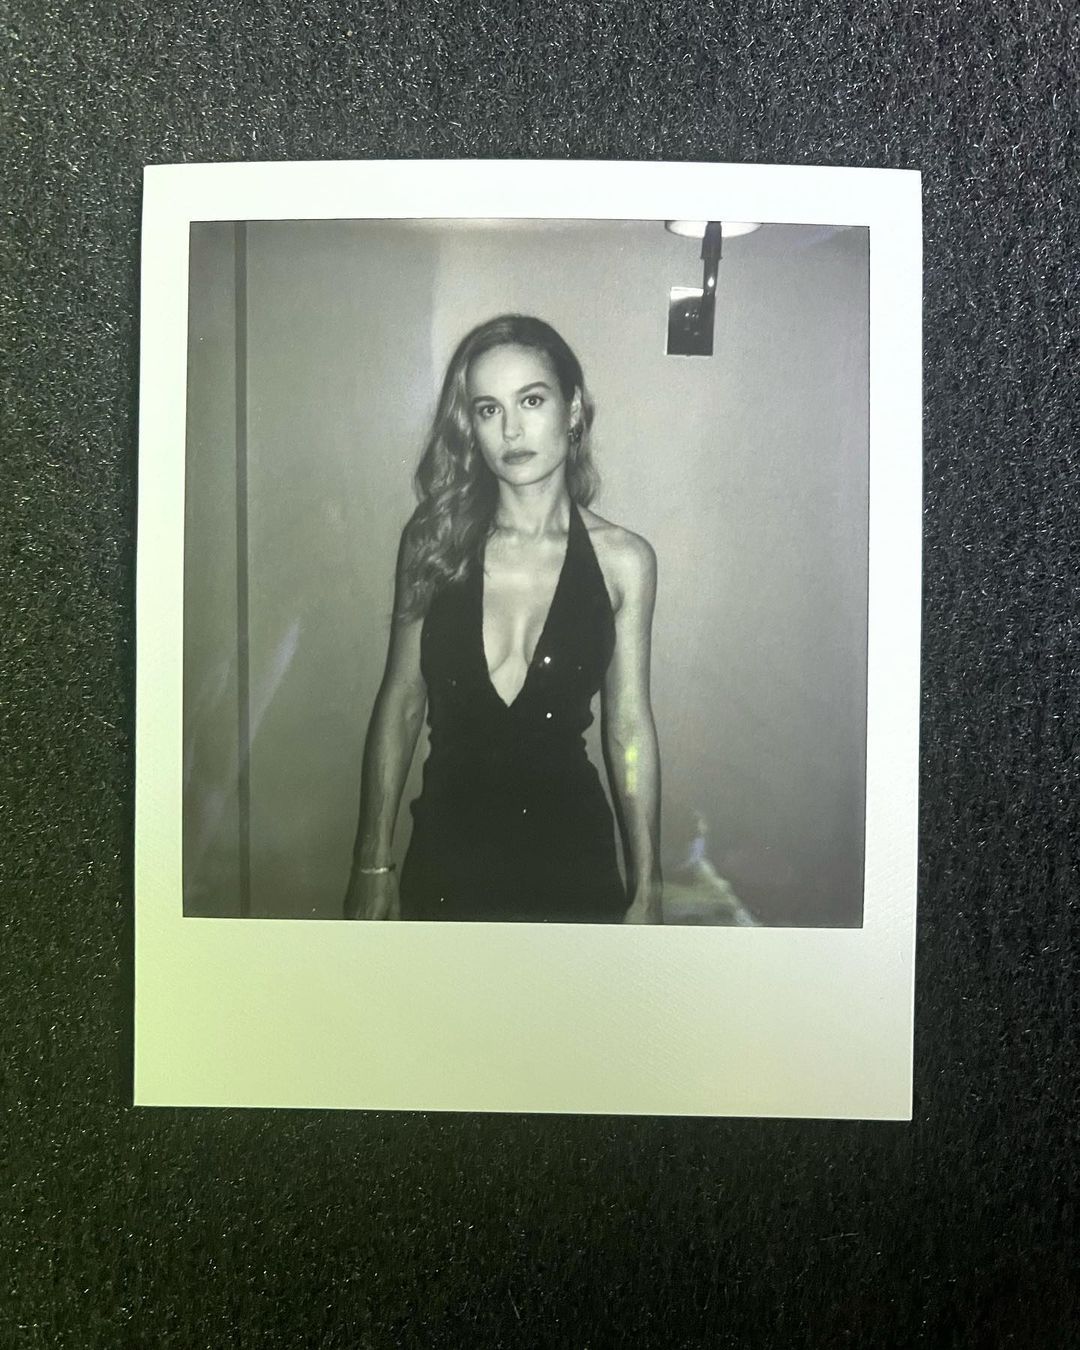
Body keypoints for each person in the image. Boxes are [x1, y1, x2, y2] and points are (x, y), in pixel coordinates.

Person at [344, 314, 661, 923]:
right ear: (472, 427)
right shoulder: (434, 541)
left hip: (574, 865)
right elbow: (401, 703)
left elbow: (629, 730)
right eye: (488, 409)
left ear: (572, 409)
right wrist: (371, 864)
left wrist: (648, 885)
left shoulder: (625, 562)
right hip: (446, 860)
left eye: (531, 400)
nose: (511, 429)